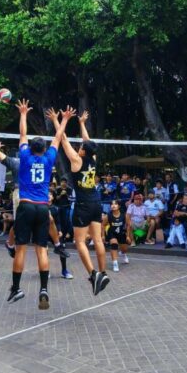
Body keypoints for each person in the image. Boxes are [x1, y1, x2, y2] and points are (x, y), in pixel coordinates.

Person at [6, 101, 71, 309]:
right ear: (44, 149)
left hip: (26, 206)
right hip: (43, 207)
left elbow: (22, 134)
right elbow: (58, 137)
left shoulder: (25, 156)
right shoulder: (49, 158)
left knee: (21, 250)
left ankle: (16, 289)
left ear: (31, 148)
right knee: (42, 250)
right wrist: (64, 119)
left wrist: (23, 114)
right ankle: (43, 290)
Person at [57, 109, 108, 288]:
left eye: (81, 147)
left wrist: (57, 120)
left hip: (83, 205)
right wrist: (81, 123)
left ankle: (93, 275)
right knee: (98, 240)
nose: (79, 147)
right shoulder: (93, 158)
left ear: (83, 151)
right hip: (96, 202)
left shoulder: (77, 160)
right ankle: (103, 273)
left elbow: (63, 139)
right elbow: (87, 141)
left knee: (79, 242)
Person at [103, 200, 129, 269]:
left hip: (121, 233)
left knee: (124, 249)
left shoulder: (124, 215)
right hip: (112, 233)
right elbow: (102, 225)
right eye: (112, 204)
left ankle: (123, 254)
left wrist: (128, 236)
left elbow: (128, 225)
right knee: (114, 244)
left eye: (115, 204)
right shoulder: (108, 216)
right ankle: (115, 263)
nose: (113, 205)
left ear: (119, 206)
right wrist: (103, 235)